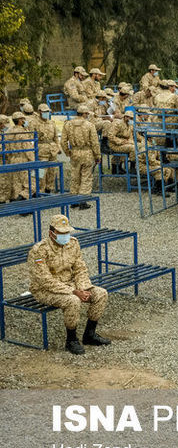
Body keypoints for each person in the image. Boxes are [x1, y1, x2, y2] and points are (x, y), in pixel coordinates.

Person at [29, 215, 112, 355]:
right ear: (52, 233)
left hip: (71, 284)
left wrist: (82, 288)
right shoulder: (39, 250)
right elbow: (44, 280)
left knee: (101, 293)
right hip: (44, 290)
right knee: (73, 301)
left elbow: (80, 269)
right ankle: (71, 340)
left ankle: (89, 335)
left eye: (67, 232)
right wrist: (73, 292)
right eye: (62, 233)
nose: (65, 236)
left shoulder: (73, 244)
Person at [107, 110, 174, 193]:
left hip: (126, 142)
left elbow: (132, 136)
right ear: (125, 117)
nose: (130, 119)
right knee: (134, 148)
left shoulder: (130, 125)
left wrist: (136, 141)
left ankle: (136, 162)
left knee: (138, 146)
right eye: (129, 118)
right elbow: (110, 136)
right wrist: (121, 141)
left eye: (132, 118)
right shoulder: (117, 124)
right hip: (115, 144)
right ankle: (133, 165)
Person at [61, 105, 100, 207]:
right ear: (84, 114)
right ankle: (83, 199)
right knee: (86, 176)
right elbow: (95, 143)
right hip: (87, 152)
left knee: (75, 175)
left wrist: (68, 152)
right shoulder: (90, 125)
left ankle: (74, 199)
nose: (87, 115)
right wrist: (97, 156)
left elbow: (63, 141)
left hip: (74, 152)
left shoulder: (67, 124)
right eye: (87, 113)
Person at [0, 112, 31, 203]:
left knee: (14, 183)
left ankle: (14, 200)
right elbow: (27, 147)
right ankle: (19, 203)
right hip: (16, 159)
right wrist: (33, 159)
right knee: (27, 182)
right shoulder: (19, 132)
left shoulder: (8, 132)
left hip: (10, 159)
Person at [34, 104, 62, 194]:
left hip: (52, 150)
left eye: (47, 112)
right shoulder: (34, 123)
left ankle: (49, 188)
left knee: (52, 171)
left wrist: (58, 147)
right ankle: (39, 191)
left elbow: (56, 137)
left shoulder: (51, 123)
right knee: (41, 172)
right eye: (44, 111)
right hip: (41, 150)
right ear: (39, 112)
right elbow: (31, 138)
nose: (46, 113)